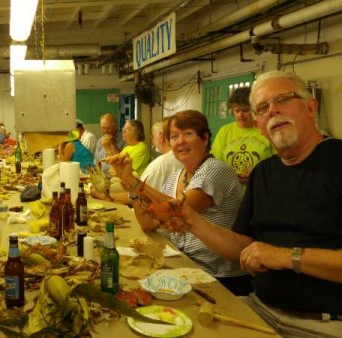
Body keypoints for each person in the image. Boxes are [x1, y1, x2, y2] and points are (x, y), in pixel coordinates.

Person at [158, 72, 342, 338]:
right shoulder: (263, 173)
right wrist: (192, 220)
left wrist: (285, 256)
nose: (273, 110)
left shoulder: (336, 160)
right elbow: (243, 248)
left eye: (283, 100)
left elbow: (274, 254)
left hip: (322, 324)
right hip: (260, 309)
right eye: (263, 108)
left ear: (310, 107)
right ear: (258, 124)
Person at [109, 110, 251, 296]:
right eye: (174, 136)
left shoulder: (216, 170)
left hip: (217, 276)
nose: (180, 141)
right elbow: (148, 223)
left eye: (188, 134)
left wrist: (136, 184)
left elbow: (177, 210)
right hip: (184, 265)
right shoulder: (177, 176)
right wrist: (130, 184)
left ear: (205, 138)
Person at [212, 87, 274, 185]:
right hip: (231, 191)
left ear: (254, 109)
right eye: (237, 111)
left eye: (245, 111)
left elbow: (277, 164)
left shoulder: (266, 130)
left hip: (260, 189)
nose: (240, 115)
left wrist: (256, 177)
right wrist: (231, 176)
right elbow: (215, 164)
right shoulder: (225, 131)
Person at [140, 119, 183, 190]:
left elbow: (140, 195)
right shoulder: (188, 159)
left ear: (161, 137)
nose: (153, 141)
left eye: (153, 136)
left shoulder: (158, 164)